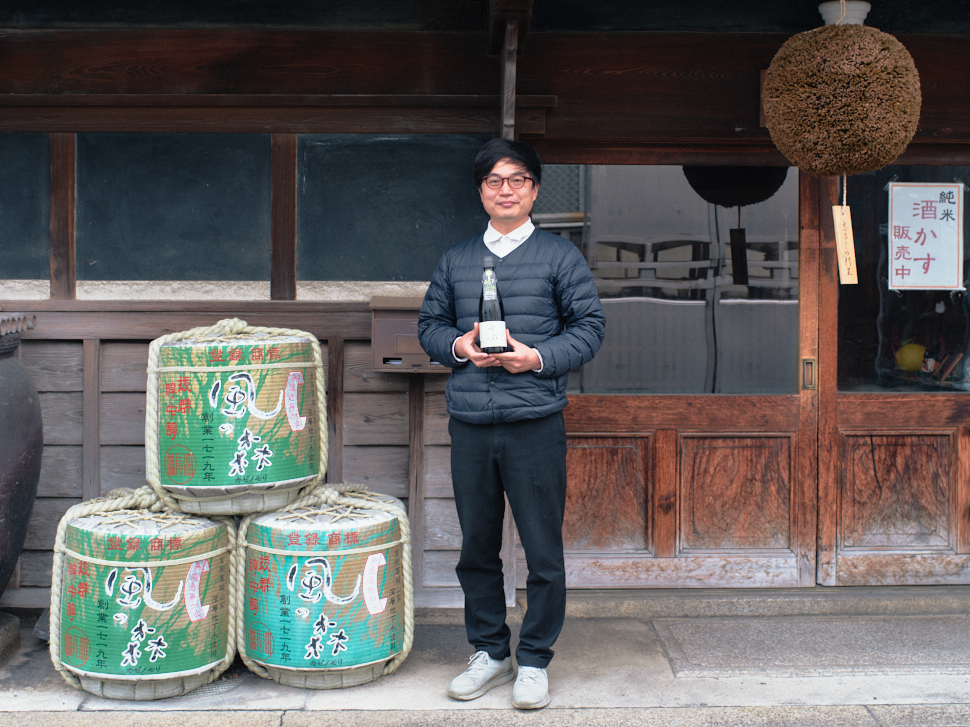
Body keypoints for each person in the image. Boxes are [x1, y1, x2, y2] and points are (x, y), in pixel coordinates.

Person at [417, 138, 605, 710]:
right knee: (477, 545)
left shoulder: (559, 257)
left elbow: (591, 328)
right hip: (471, 421)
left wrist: (536, 358)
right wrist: (457, 345)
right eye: (495, 181)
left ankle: (535, 660)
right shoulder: (455, 259)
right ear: (481, 191)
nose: (506, 190)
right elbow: (429, 326)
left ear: (534, 188)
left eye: (517, 180)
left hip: (535, 421)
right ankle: (490, 651)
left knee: (542, 547)